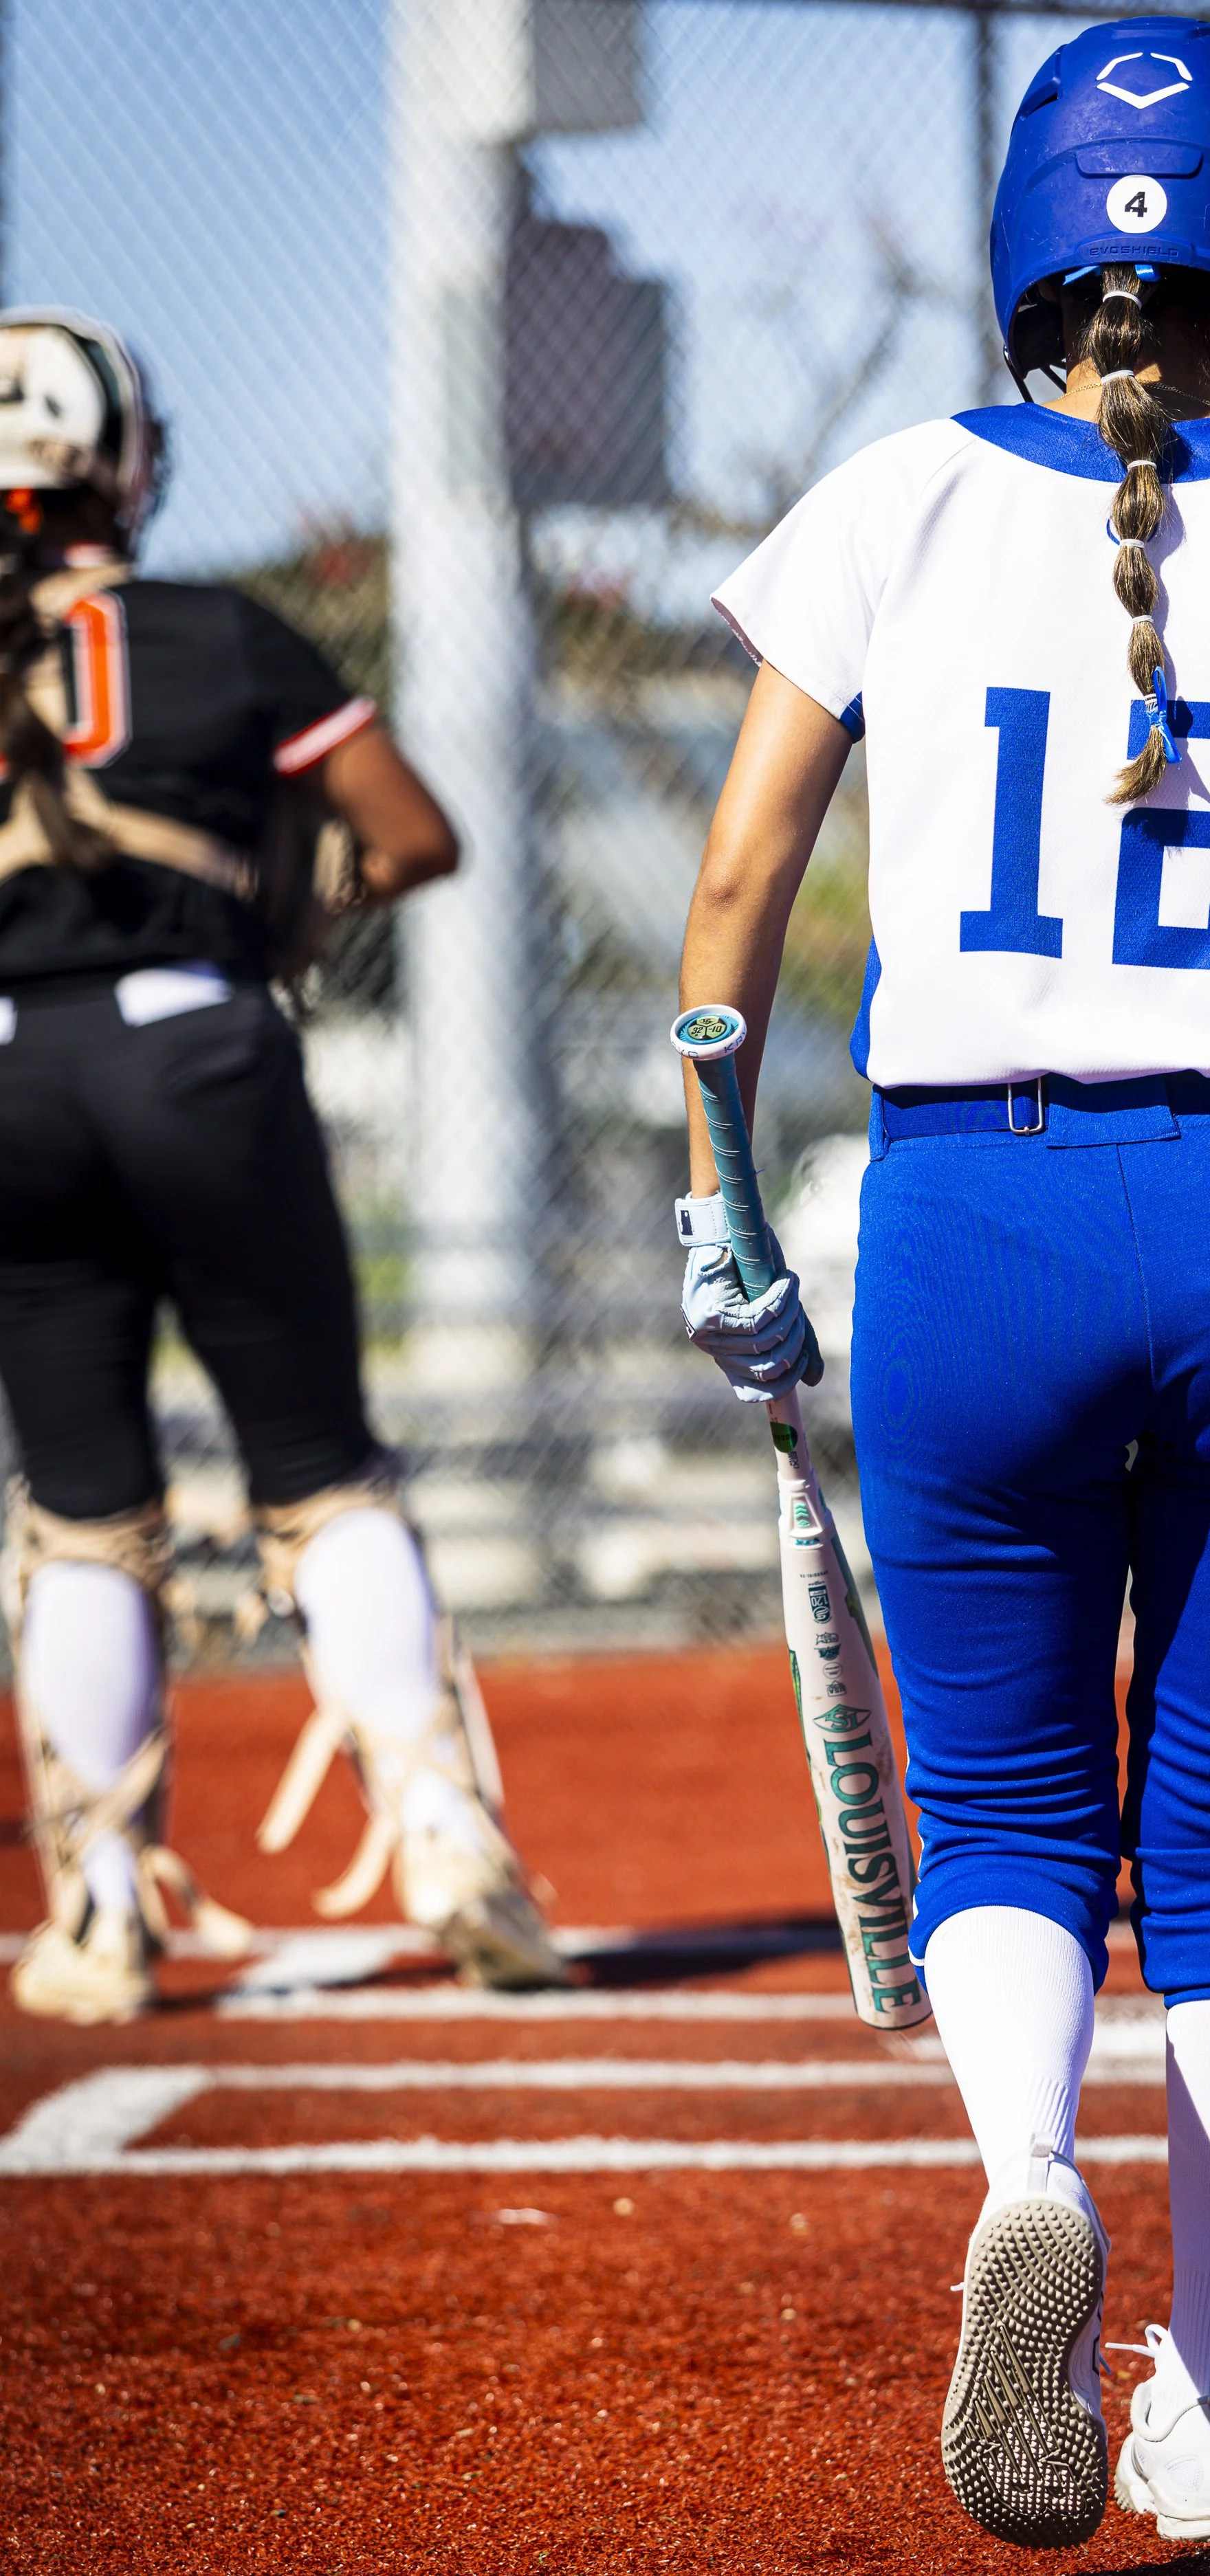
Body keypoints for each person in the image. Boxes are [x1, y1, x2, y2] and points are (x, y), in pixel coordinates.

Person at [676, 18, 1210, 2548]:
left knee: (1006, 1802)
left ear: (1032, 258)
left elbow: (735, 886)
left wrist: (721, 1192)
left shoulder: (898, 493)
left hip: (977, 1208)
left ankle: (1025, 2170)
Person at [0, 307, 561, 2025]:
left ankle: (102, 1901)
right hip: (200, 1052)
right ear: (124, 463)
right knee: (319, 1472)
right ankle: (445, 1836)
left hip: (15, 1073)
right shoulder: (222, 630)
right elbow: (415, 832)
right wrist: (291, 910)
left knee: (84, 1510)